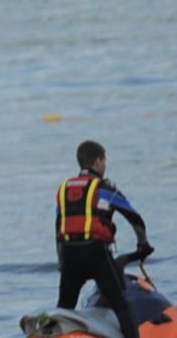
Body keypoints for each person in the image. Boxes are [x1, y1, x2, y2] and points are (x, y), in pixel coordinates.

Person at [56, 140, 152, 338]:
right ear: (97, 162)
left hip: (69, 254)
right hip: (95, 253)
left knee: (64, 308)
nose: (105, 165)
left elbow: (59, 228)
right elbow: (135, 219)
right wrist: (143, 245)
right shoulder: (105, 189)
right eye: (104, 160)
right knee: (121, 305)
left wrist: (61, 263)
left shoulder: (64, 189)